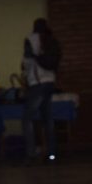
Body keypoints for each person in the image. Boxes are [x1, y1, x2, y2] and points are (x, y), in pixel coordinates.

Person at [22, 18, 60, 163]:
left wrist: (25, 75)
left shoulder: (30, 39)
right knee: (48, 120)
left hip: (37, 84)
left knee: (27, 119)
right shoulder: (52, 39)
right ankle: (51, 155)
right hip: (50, 83)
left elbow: (27, 63)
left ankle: (31, 154)